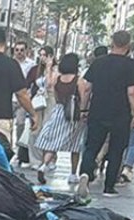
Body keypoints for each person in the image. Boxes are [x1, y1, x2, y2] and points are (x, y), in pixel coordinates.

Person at [77, 31, 134, 198]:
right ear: (128, 45)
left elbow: (86, 88)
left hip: (98, 111)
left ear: (112, 42)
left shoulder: (98, 62)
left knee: (91, 146)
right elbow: (133, 92)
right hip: (120, 114)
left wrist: (83, 109)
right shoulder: (131, 65)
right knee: (116, 150)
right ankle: (108, 187)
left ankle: (85, 173)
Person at [34, 52, 87, 185]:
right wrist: (83, 111)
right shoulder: (79, 80)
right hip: (74, 114)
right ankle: (73, 174)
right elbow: (84, 97)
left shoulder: (57, 78)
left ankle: (44, 165)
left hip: (58, 111)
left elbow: (53, 92)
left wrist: (48, 67)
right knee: (75, 145)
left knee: (53, 142)